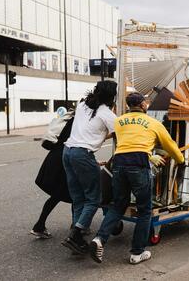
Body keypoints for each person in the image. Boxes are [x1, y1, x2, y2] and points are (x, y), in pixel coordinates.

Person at [90, 92, 184, 265]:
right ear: (142, 105)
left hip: (118, 164)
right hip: (139, 164)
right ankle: (136, 252)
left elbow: (124, 139)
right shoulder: (153, 122)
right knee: (144, 209)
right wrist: (181, 160)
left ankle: (99, 239)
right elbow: (169, 144)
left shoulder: (119, 121)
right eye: (146, 103)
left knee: (118, 205)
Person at [61, 80, 117, 254]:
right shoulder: (107, 114)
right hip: (82, 155)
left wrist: (100, 136)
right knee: (93, 199)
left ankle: (76, 237)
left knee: (78, 198)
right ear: (111, 96)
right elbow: (120, 132)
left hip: (68, 152)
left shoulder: (83, 105)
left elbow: (91, 130)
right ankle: (76, 234)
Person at [30, 115, 74, 239]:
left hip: (55, 156)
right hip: (65, 158)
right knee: (74, 192)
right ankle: (76, 228)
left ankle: (40, 225)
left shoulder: (69, 118)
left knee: (60, 194)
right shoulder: (79, 122)